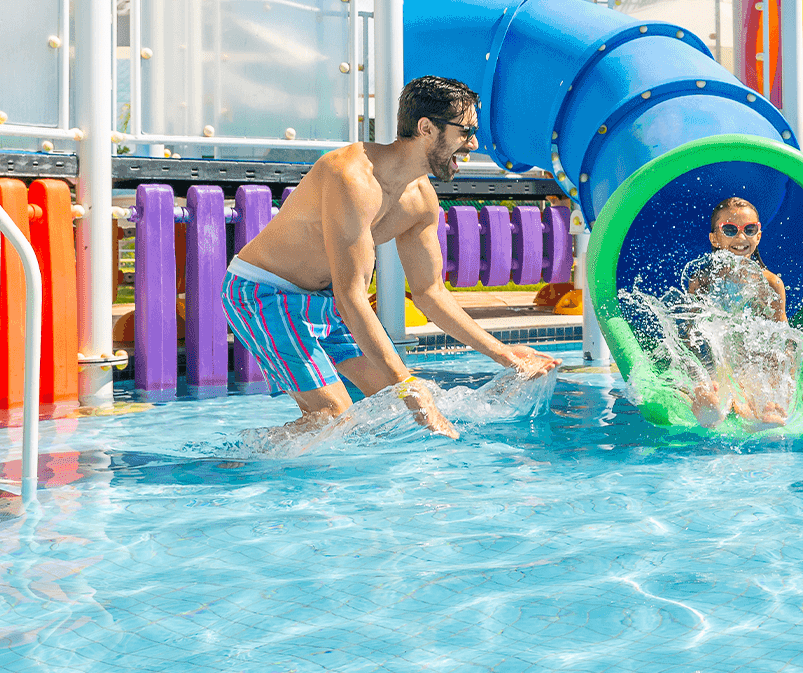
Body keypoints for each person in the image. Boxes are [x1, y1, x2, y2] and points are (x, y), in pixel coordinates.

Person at [223, 76, 559, 441]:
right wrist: (410, 388)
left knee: (388, 409)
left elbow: (431, 292)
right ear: (426, 128)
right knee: (332, 416)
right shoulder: (351, 177)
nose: (474, 145)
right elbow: (351, 299)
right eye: (466, 132)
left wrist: (505, 354)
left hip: (321, 304)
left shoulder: (420, 202)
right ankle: (237, 460)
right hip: (265, 293)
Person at [680, 197, 793, 426]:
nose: (741, 238)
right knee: (709, 401)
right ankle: (710, 404)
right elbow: (689, 338)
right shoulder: (701, 282)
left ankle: (755, 413)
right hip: (714, 365)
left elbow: (783, 342)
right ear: (714, 238)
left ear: (758, 236)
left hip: (749, 367)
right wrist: (702, 375)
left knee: (761, 403)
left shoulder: (770, 285)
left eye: (749, 229)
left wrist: (786, 385)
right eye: (730, 230)